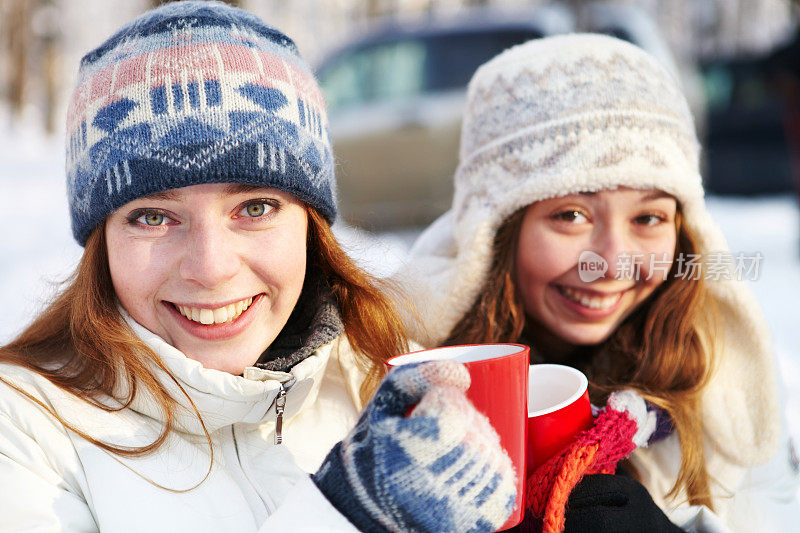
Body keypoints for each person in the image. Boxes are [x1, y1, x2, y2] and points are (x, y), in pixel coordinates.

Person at [0, 2, 517, 532]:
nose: (211, 268)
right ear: (101, 241)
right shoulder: (24, 428)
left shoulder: (389, 381)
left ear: (310, 226)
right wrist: (338, 519)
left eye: (255, 208)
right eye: (153, 216)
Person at [398, 34, 800, 531]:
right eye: (571, 214)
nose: (613, 263)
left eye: (648, 218)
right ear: (495, 231)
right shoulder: (392, 375)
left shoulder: (718, 367)